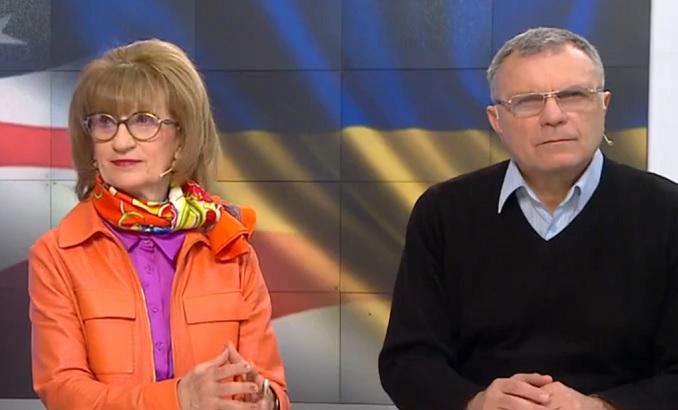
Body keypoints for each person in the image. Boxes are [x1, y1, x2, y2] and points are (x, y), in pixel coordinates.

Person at [378, 27, 678, 410]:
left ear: (603, 105)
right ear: (496, 120)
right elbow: (407, 359)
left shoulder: (667, 212)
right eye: (527, 101)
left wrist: (601, 406)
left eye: (573, 95)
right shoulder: (443, 213)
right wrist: (475, 402)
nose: (553, 116)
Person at [28, 39, 290, 410]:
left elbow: (273, 387)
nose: (120, 141)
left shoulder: (230, 246)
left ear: (182, 139)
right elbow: (64, 391)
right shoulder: (56, 255)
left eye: (143, 121)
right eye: (105, 122)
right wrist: (178, 399)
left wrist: (265, 401)